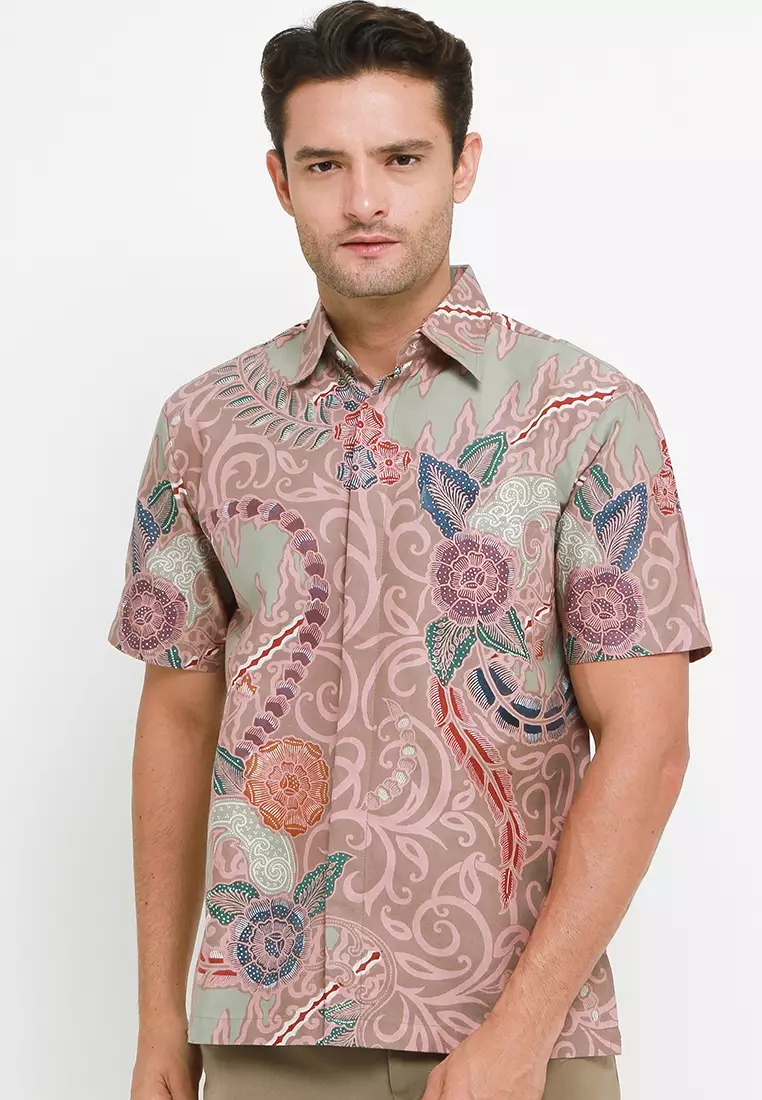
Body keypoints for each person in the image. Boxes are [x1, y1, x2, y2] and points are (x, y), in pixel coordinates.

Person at [107, 3, 712, 1099]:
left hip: (519, 1039)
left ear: (463, 164)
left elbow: (649, 740)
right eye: (325, 164)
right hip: (267, 1032)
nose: (365, 199)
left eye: (401, 158)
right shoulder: (205, 424)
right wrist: (159, 1018)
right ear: (280, 180)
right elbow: (178, 717)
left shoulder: (586, 415)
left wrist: (523, 1031)